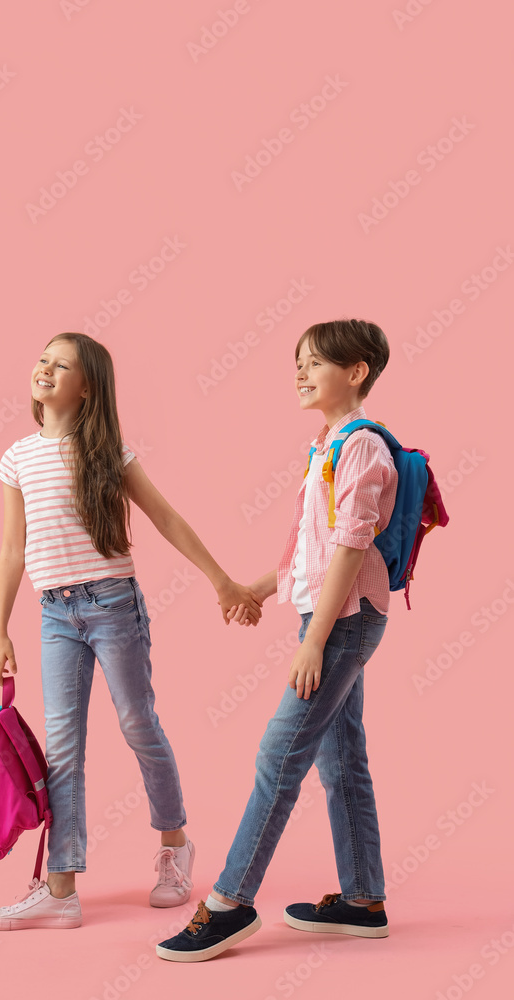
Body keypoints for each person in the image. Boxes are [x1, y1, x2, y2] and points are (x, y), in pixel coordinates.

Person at [0, 332, 263, 931]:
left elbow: (164, 516)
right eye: (43, 359)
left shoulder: (107, 451)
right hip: (54, 615)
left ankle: (174, 844)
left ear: (88, 388)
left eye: (64, 366)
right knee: (62, 746)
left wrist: (222, 581)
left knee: (138, 723)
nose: (46, 370)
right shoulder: (17, 457)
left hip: (113, 606)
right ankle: (60, 887)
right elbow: (11, 549)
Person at [157, 319, 398, 962]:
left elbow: (350, 550)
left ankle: (230, 904)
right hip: (331, 616)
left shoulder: (361, 448)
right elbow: (311, 556)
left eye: (315, 362)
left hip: (342, 624)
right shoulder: (327, 444)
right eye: (298, 362)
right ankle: (362, 900)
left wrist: (314, 640)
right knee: (341, 758)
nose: (300, 372)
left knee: (279, 753)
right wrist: (254, 590)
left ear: (356, 371)